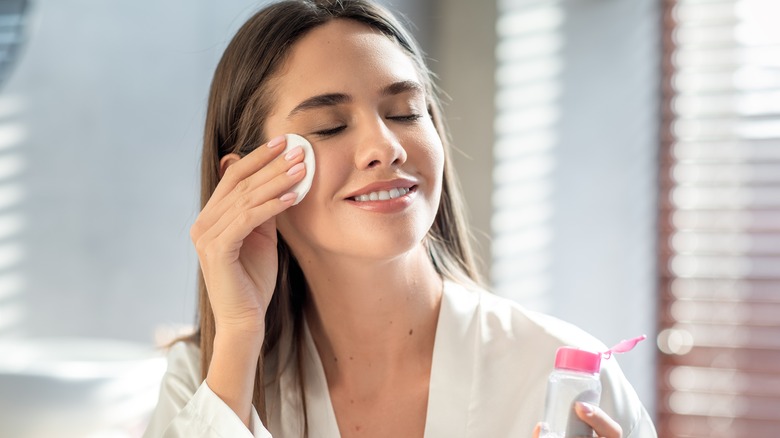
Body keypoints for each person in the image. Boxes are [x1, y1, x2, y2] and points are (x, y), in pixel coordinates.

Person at [144, 0, 657, 437]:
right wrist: (237, 335)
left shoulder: (566, 376)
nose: (384, 147)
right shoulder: (204, 379)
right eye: (328, 126)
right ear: (247, 181)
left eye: (405, 113)